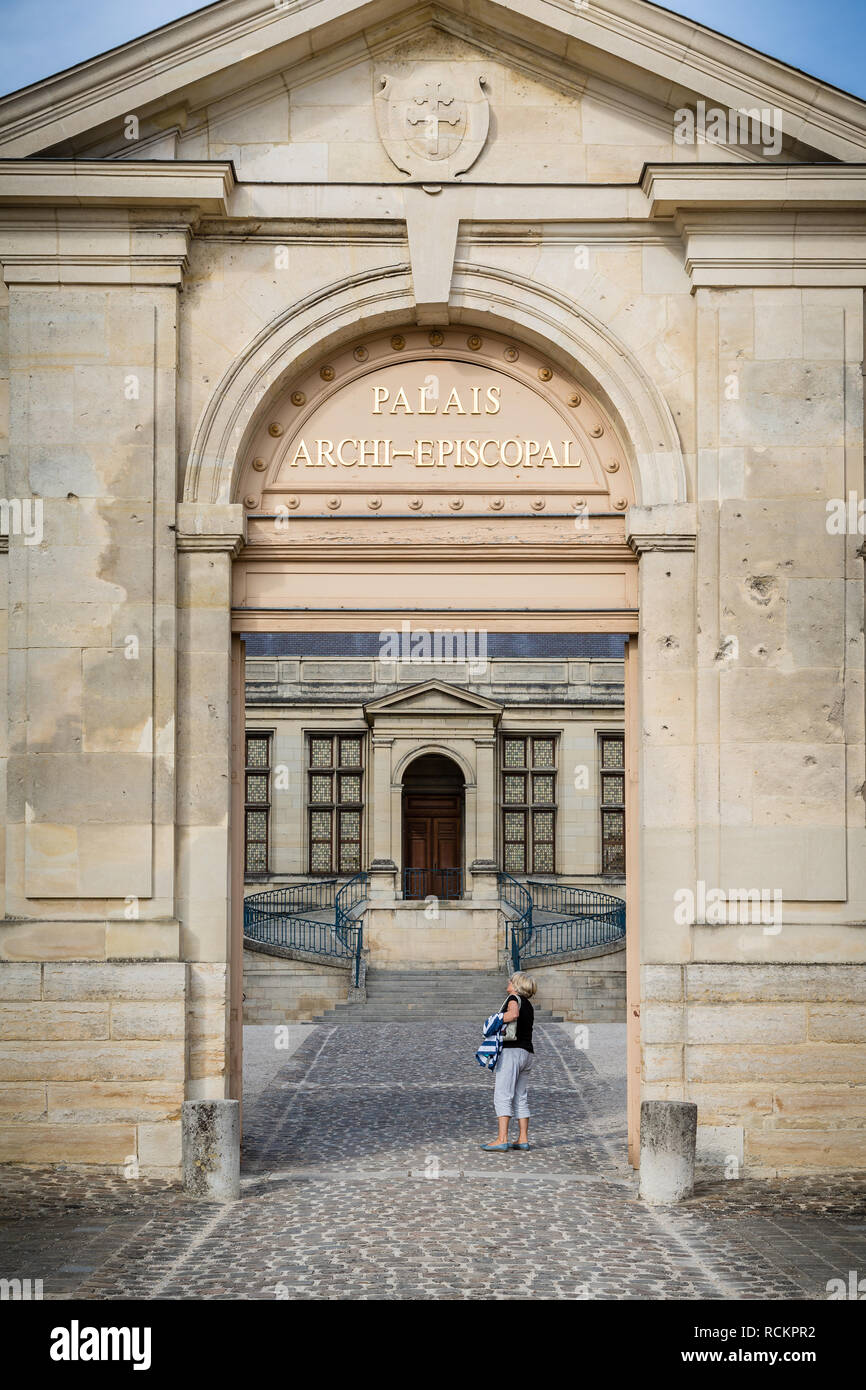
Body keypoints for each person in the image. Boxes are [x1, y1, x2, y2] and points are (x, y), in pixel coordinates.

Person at [481, 971, 537, 1152]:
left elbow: (512, 1015)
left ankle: (502, 1138)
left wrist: (495, 1020)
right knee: (521, 1096)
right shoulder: (528, 1005)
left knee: (503, 1094)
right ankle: (523, 1138)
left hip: (511, 1052)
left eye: (511, 980)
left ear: (516, 985)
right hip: (527, 1053)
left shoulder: (513, 998)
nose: (508, 982)